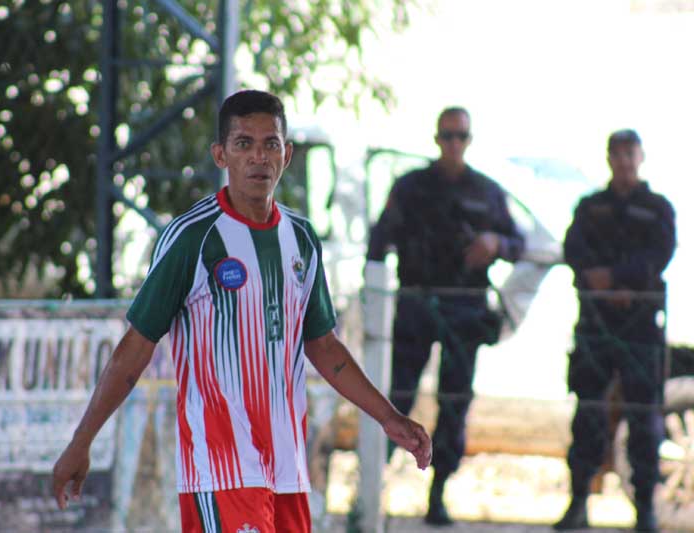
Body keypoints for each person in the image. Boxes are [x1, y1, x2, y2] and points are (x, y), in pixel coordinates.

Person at [52, 89, 432, 532]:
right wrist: (83, 441)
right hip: (221, 469)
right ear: (220, 155)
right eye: (243, 144)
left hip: (288, 470)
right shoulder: (193, 238)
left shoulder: (302, 240)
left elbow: (324, 346)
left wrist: (389, 417)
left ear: (287, 155)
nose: (259, 157)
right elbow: (134, 350)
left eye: (270, 143)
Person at [366, 106, 525, 526]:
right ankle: (372, 490)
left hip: (464, 309)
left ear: (469, 140)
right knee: (396, 397)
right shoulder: (411, 187)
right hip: (416, 304)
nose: (454, 144)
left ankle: (438, 495)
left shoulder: (487, 192)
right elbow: (378, 241)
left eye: (461, 136)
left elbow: (518, 243)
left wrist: (494, 241)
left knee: (454, 403)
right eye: (447, 136)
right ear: (436, 139)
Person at [554, 129, 675, 533]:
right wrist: (599, 281)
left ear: (640, 156)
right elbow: (574, 250)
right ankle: (578, 503)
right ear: (608, 158)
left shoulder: (657, 208)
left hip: (640, 328)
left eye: (630, 153)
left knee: (644, 420)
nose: (623, 161)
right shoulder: (591, 207)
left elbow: (660, 254)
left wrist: (621, 280)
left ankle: (645, 509)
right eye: (617, 154)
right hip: (596, 326)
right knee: (587, 414)